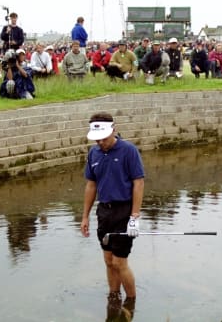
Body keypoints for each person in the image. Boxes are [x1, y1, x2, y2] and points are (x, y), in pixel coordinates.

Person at [80, 111, 144, 308]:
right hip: (104, 212)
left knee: (119, 262)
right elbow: (91, 185)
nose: (100, 143)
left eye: (104, 138)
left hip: (124, 211)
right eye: (97, 139)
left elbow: (138, 183)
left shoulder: (128, 150)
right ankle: (114, 297)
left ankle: (131, 302)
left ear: (113, 130)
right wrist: (85, 217)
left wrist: (134, 216)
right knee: (108, 260)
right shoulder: (94, 153)